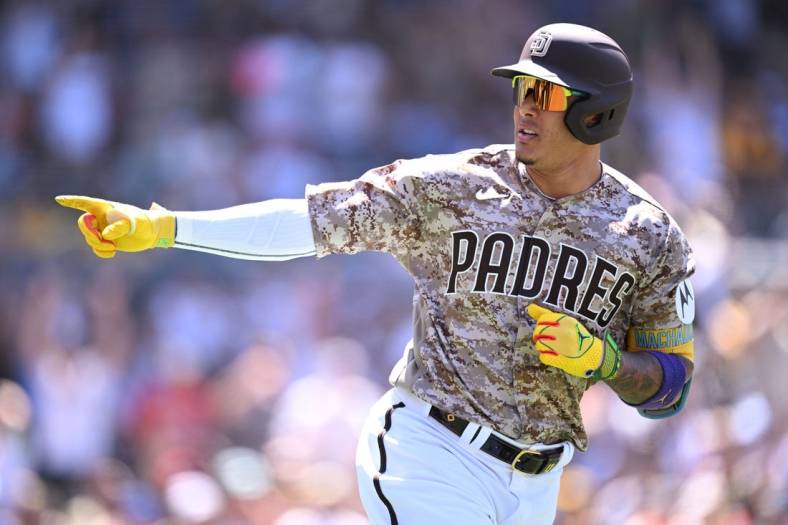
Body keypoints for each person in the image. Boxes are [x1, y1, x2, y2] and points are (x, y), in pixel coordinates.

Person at [57, 23, 696, 525]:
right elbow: (310, 222)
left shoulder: (646, 234)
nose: (525, 107)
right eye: (520, 89)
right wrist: (168, 228)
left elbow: (672, 386)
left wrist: (605, 362)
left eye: (547, 94)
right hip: (429, 450)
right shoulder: (455, 187)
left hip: (537, 489)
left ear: (597, 114)